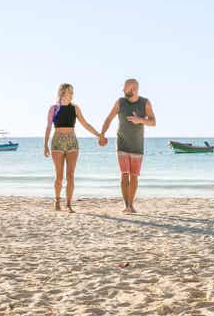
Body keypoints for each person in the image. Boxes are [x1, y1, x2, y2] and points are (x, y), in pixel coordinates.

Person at [97, 78, 156, 214]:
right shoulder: (120, 102)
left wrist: (139, 120)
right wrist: (102, 134)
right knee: (124, 174)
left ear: (134, 90)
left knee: (134, 176)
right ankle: (126, 205)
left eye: (126, 89)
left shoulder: (145, 103)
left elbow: (153, 122)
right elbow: (109, 118)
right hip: (122, 143)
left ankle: (131, 204)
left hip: (137, 145)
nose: (123, 91)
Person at [42, 83, 102, 213]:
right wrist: (45, 145)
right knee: (59, 176)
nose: (72, 94)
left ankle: (68, 204)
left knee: (70, 175)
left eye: (72, 91)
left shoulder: (75, 108)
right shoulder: (53, 108)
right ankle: (57, 201)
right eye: (70, 91)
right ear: (62, 92)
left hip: (72, 143)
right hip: (57, 143)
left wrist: (99, 135)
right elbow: (48, 127)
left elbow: (86, 124)